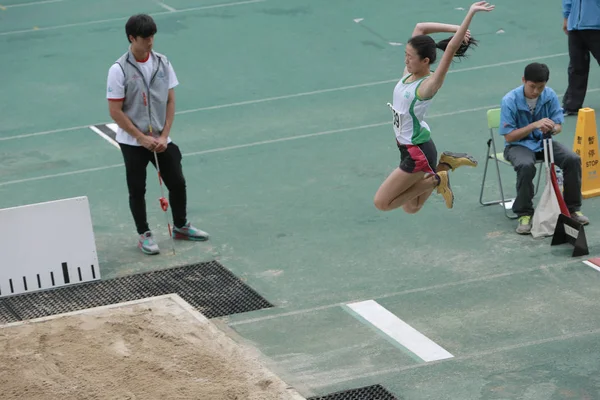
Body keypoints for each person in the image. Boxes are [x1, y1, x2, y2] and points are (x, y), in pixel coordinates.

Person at [373, 1, 493, 214]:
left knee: (383, 203)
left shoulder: (428, 85)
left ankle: (438, 178)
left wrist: (470, 15)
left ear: (425, 60)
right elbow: (421, 27)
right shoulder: (408, 75)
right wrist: (455, 28)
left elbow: (452, 48)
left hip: (417, 152)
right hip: (408, 146)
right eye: (405, 55)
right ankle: (445, 165)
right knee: (411, 206)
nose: (406, 60)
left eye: (410, 57)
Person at [106, 14, 209, 255]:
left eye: (152, 36)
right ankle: (144, 234)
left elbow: (170, 101)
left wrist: (164, 136)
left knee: (178, 183)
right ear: (132, 38)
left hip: (162, 139)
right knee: (137, 189)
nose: (150, 42)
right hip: (133, 142)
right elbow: (115, 111)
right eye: (145, 38)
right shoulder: (118, 69)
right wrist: (141, 138)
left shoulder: (163, 62)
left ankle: (181, 226)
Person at [499, 62, 589, 234]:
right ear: (523, 80)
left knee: (572, 159)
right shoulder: (509, 100)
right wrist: (534, 125)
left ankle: (572, 209)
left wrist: (552, 128)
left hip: (543, 142)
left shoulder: (549, 95)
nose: (536, 92)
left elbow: (558, 125)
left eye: (540, 87)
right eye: (532, 86)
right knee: (526, 165)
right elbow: (509, 136)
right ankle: (524, 213)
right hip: (517, 145)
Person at [561, 0, 600, 116]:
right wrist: (566, 16)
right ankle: (572, 105)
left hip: (596, 27)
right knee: (576, 66)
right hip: (575, 27)